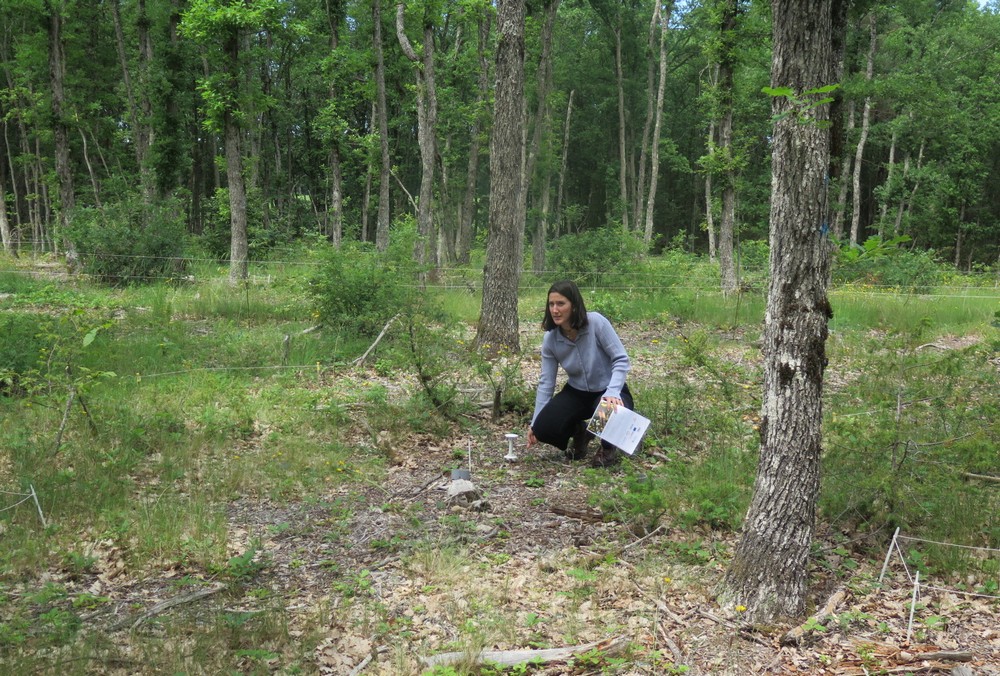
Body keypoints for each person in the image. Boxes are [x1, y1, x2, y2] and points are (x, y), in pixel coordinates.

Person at [526, 280, 634, 467]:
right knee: (543, 428)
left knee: (608, 410)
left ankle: (607, 448)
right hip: (577, 392)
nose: (555, 310)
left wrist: (613, 392)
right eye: (551, 304)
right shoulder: (551, 339)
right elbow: (546, 382)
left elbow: (621, 359)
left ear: (574, 306)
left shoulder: (596, 323)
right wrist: (535, 421)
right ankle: (581, 433)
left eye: (561, 304)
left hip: (609, 390)